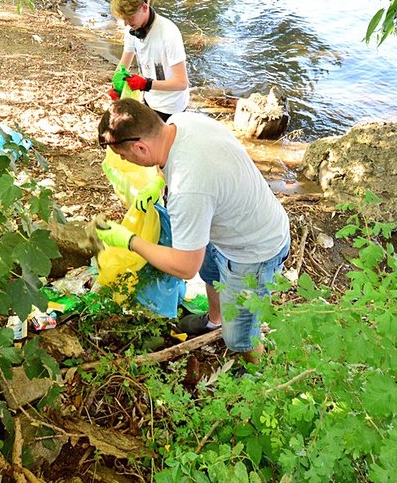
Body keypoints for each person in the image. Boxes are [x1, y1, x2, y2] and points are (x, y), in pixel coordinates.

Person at [94, 99, 290, 362]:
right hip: (225, 223)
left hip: (254, 251)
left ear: (140, 147)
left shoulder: (188, 190)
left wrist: (130, 241)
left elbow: (185, 266)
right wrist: (157, 182)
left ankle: (258, 373)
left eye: (123, 155)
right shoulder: (181, 122)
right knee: (210, 271)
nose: (124, 160)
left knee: (239, 338)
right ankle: (214, 320)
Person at [109, 0, 190, 120]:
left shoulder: (169, 32)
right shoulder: (132, 30)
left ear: (144, 8)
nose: (127, 24)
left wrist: (146, 84)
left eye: (130, 18)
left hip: (172, 107)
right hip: (149, 99)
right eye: (124, 18)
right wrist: (117, 86)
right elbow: (123, 65)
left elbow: (182, 83)